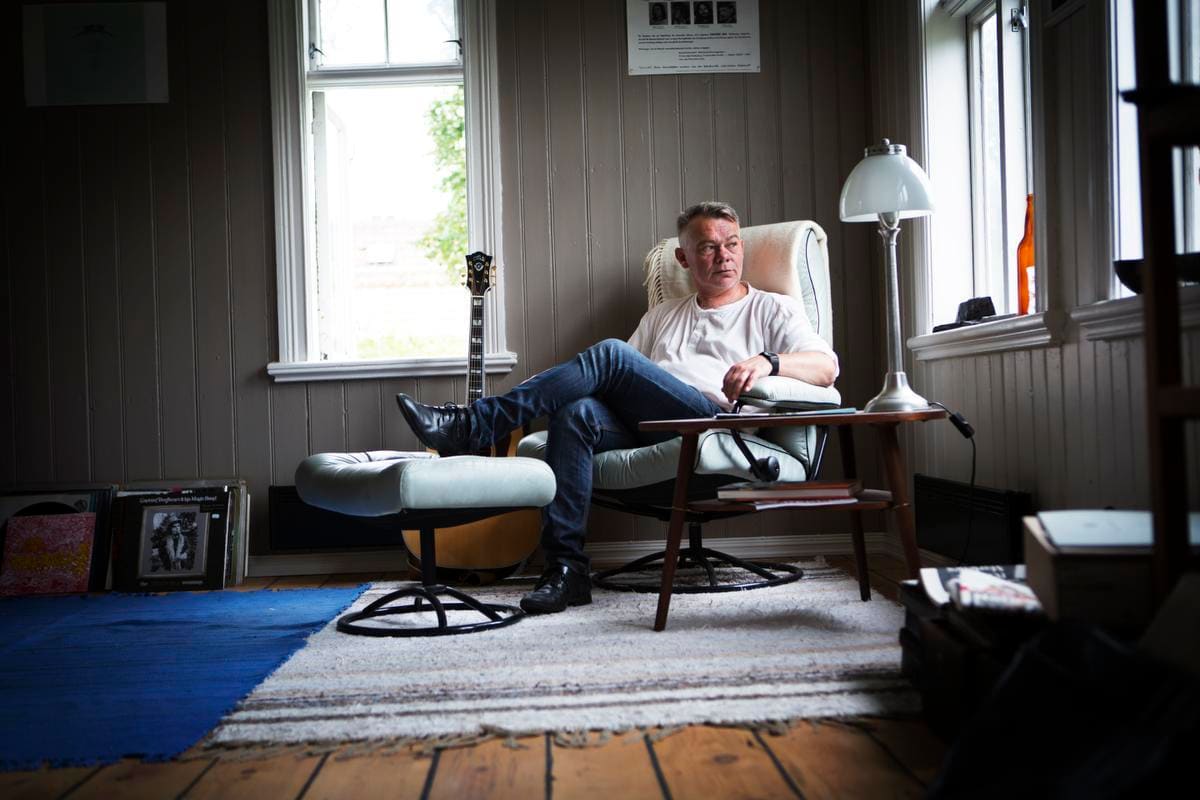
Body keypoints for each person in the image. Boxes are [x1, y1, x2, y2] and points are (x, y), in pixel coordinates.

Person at [396, 202, 838, 615]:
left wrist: (768, 361)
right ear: (683, 259)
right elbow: (613, 382)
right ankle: (566, 570)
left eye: (732, 243)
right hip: (646, 424)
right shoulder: (663, 315)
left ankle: (474, 424)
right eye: (708, 247)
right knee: (576, 412)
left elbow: (826, 368)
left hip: (710, 423)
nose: (724, 255)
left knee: (610, 354)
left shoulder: (771, 308)